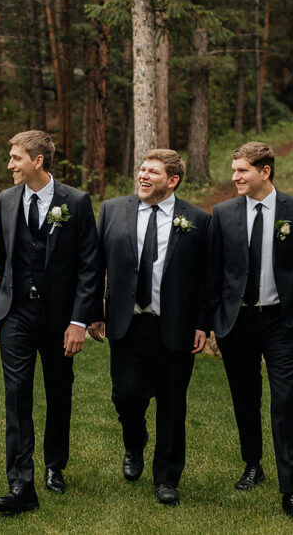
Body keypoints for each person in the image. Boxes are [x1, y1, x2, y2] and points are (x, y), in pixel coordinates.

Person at [207, 141, 293, 523]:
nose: (234, 177)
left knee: (284, 401)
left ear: (264, 171)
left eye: (242, 170)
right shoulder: (222, 213)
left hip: (281, 322)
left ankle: (291, 492)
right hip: (237, 323)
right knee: (244, 397)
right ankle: (252, 463)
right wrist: (213, 320)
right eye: (234, 169)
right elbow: (214, 272)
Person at [88, 149, 209, 506]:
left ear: (172, 181)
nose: (142, 176)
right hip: (127, 323)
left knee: (173, 404)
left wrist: (203, 324)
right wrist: (96, 311)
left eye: (152, 172)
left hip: (175, 326)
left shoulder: (198, 219)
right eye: (141, 169)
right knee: (126, 396)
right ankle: (133, 443)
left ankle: (167, 477)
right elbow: (95, 265)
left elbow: (206, 278)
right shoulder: (112, 210)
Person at [0, 130, 99, 514]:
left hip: (59, 317)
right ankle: (20, 482)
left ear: (37, 161)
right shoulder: (5, 200)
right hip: (16, 312)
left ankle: (55, 465)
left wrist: (78, 321)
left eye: (16, 158)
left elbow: (89, 267)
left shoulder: (76, 201)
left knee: (59, 392)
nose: (10, 165)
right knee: (16, 397)